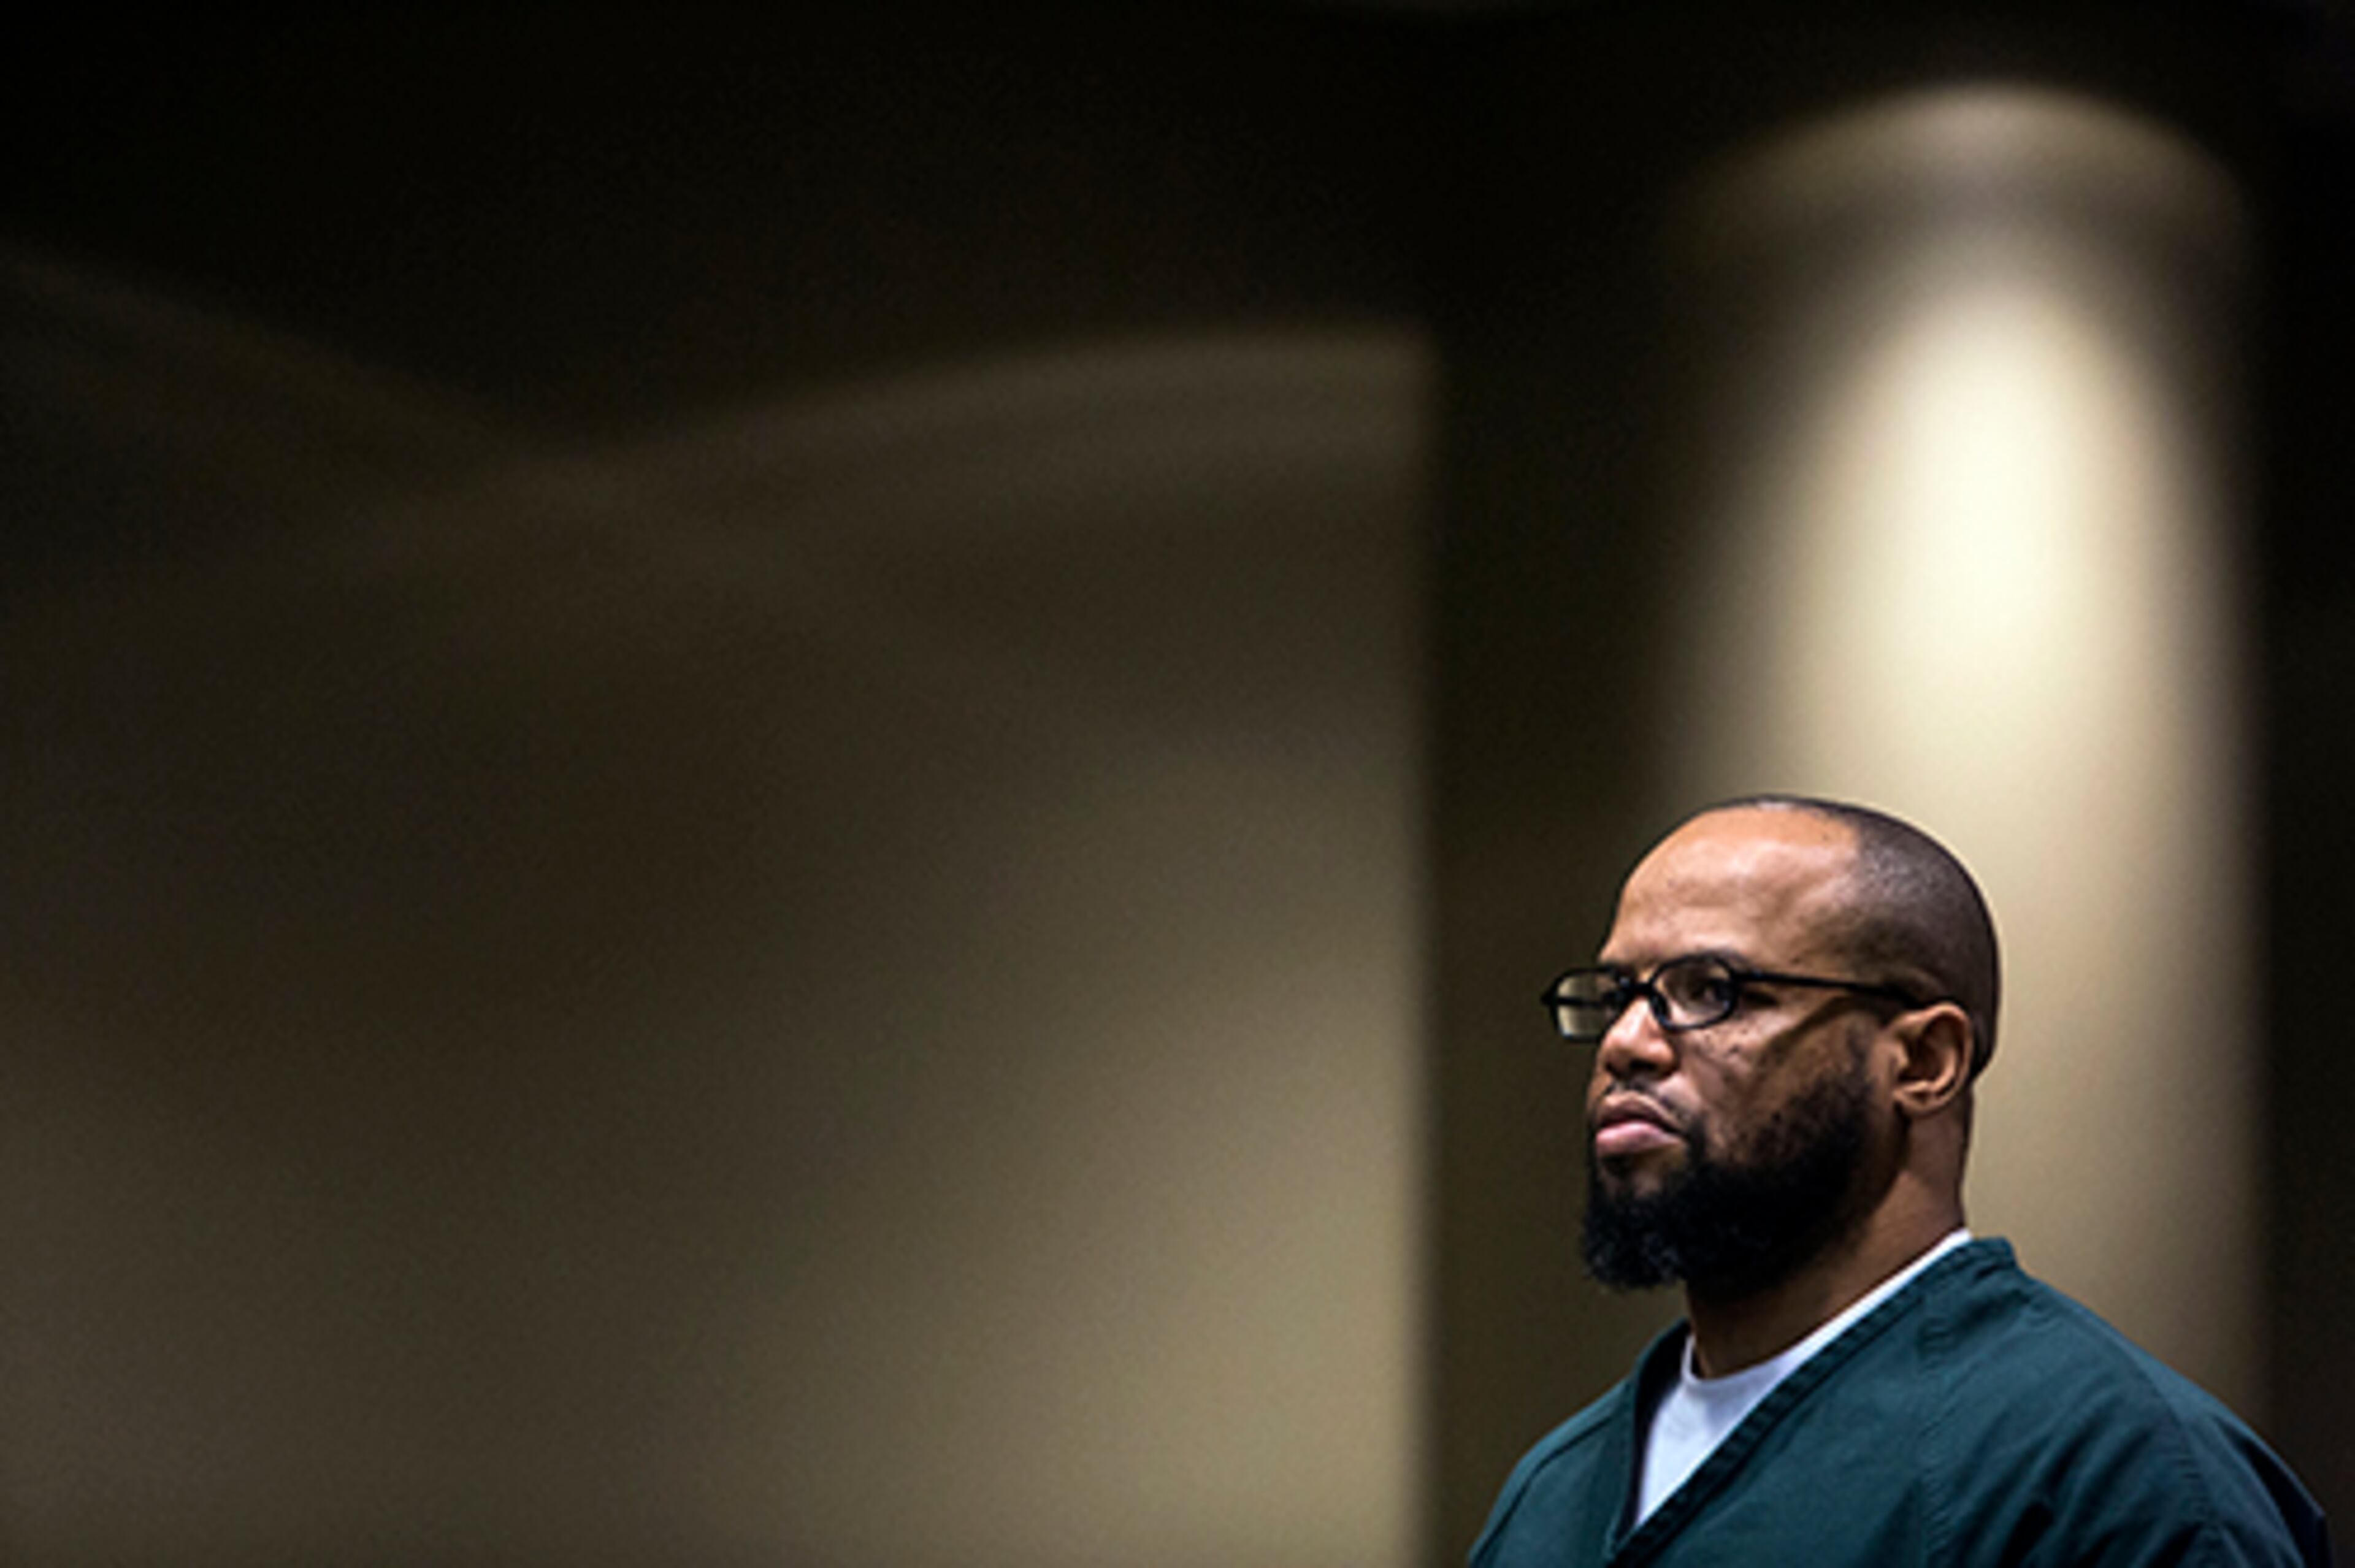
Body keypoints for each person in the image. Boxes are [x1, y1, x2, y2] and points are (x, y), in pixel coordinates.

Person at [1471, 795, 2331, 1567]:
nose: (1627, 1041)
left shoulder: (2111, 1478)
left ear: (1923, 1061)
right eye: (1619, 992)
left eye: (1711, 991)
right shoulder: (1553, 1496)